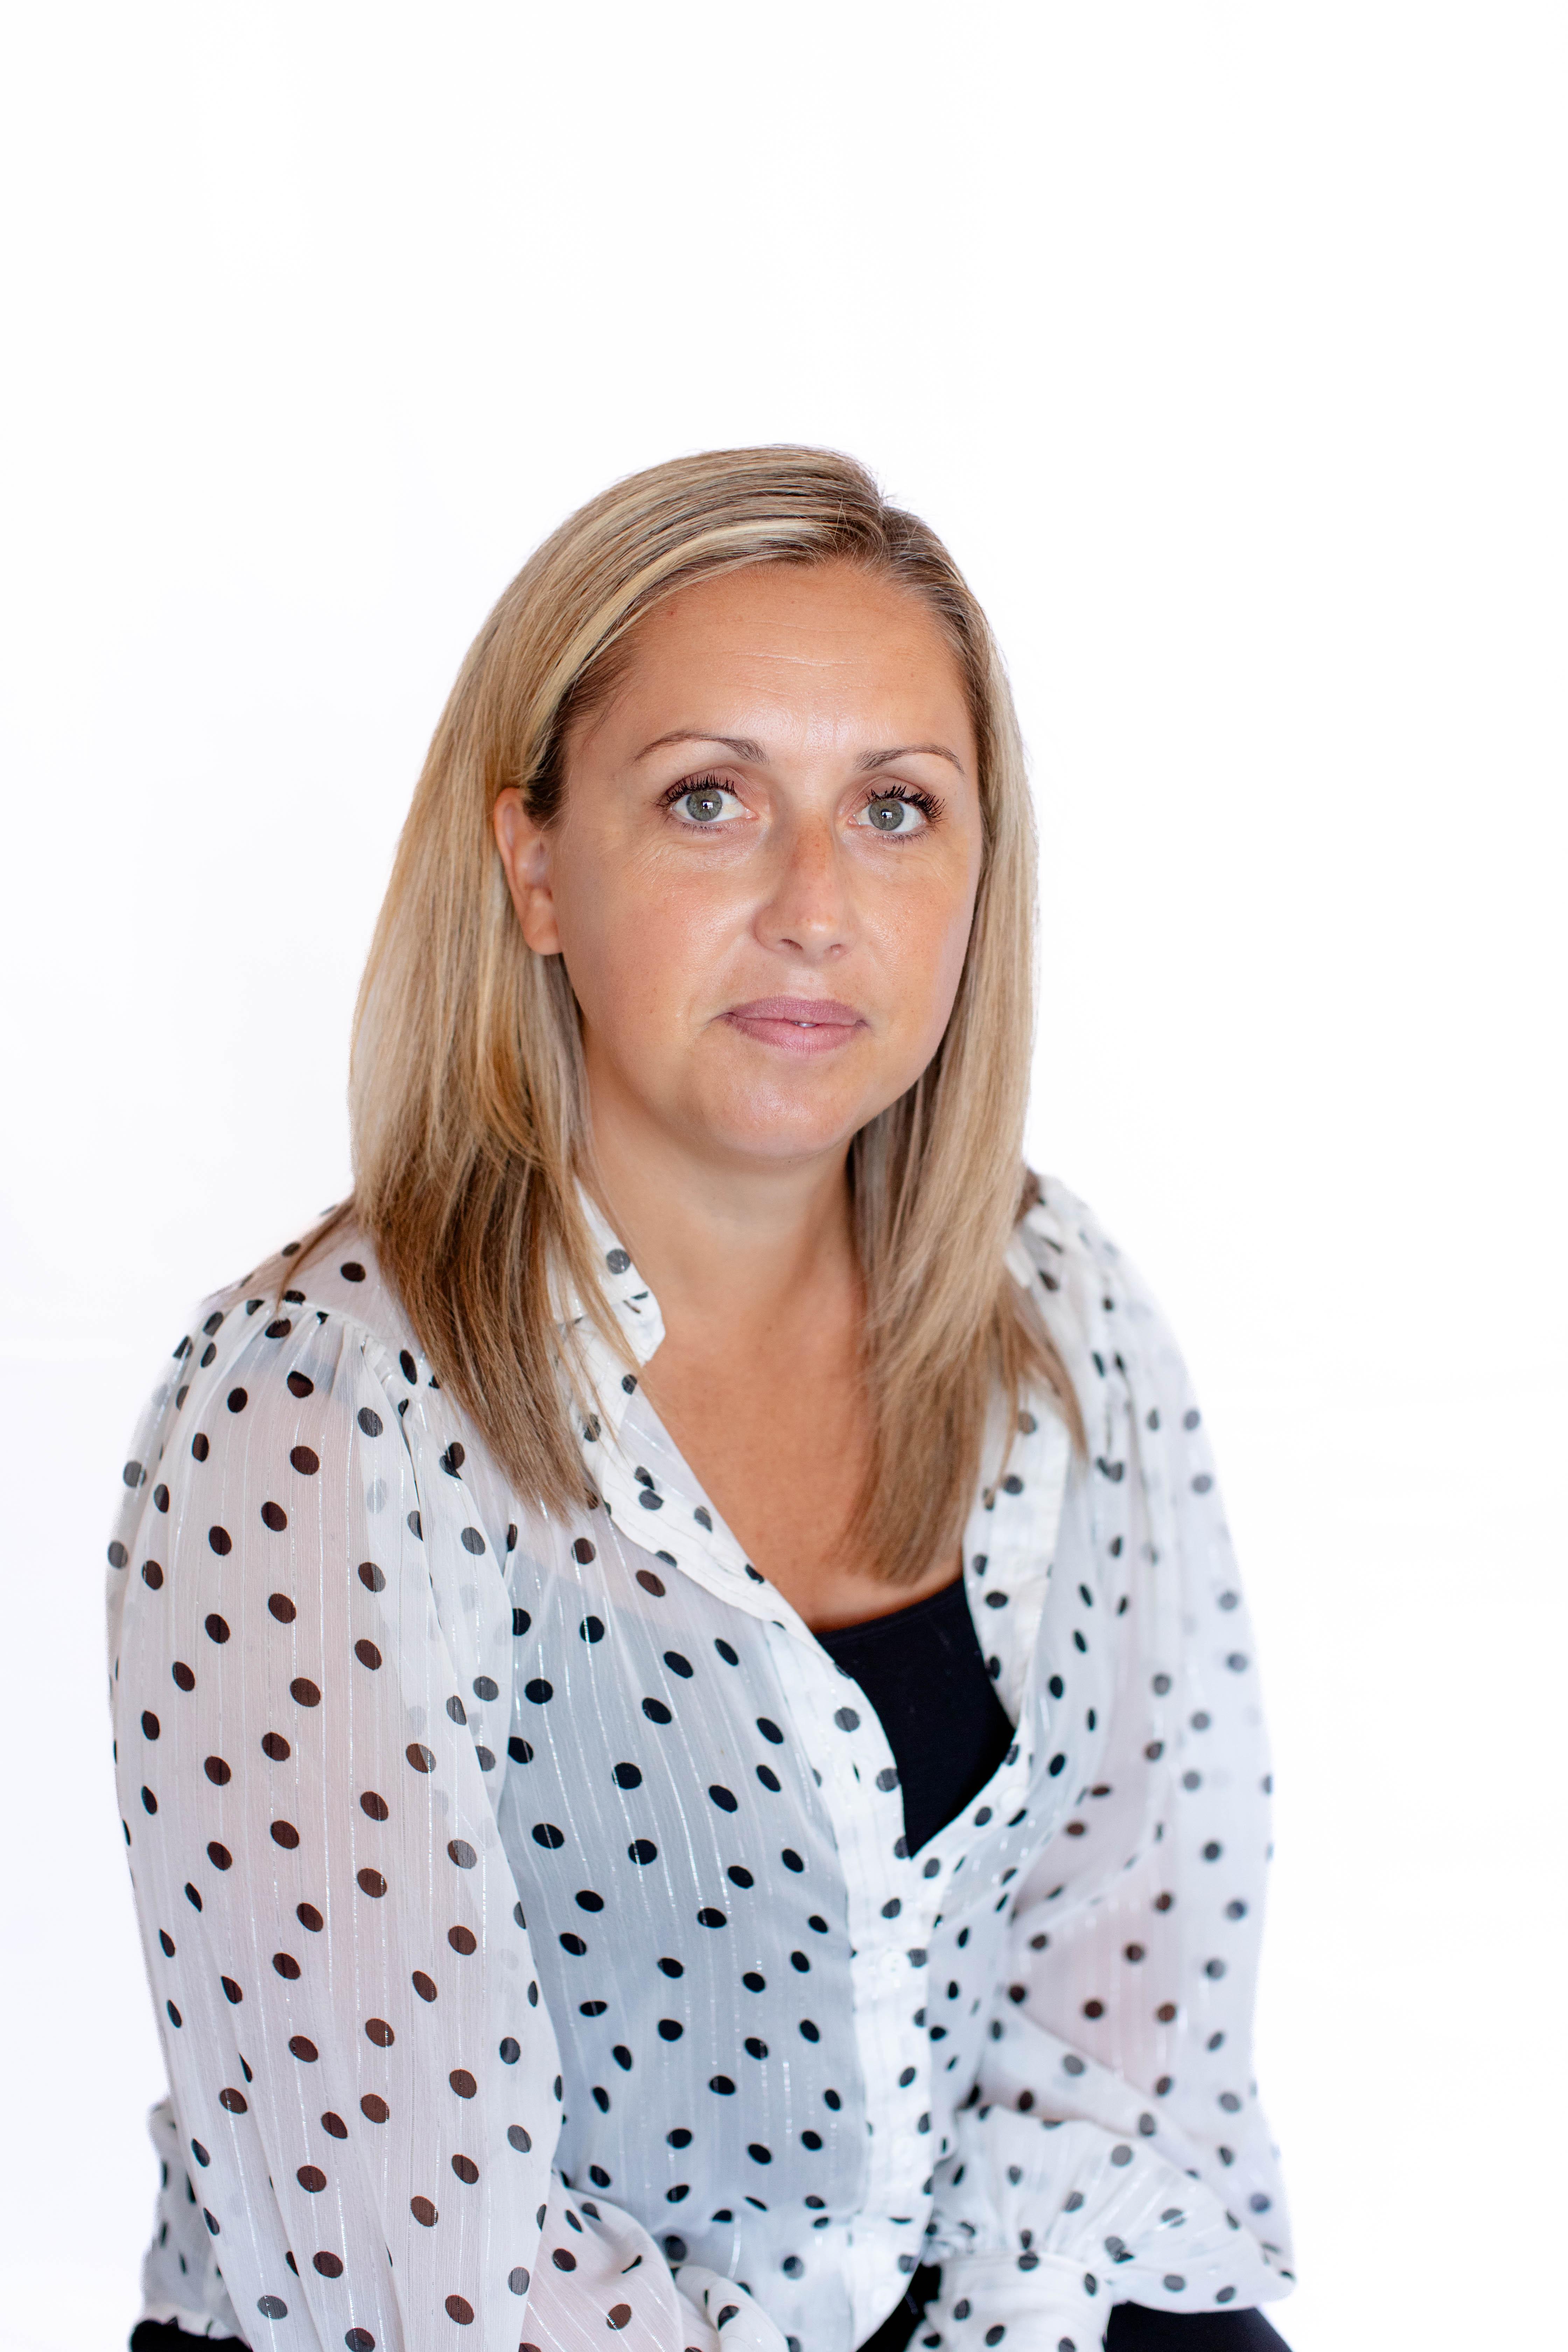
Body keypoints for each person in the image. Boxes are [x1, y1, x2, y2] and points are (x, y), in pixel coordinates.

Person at [107, 448, 1294, 2352]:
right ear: (535, 867)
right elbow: (428, 2273)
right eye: (710, 800)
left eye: (895, 808)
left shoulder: (1048, 1306)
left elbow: (1123, 2019)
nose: (817, 906)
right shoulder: (315, 1412)